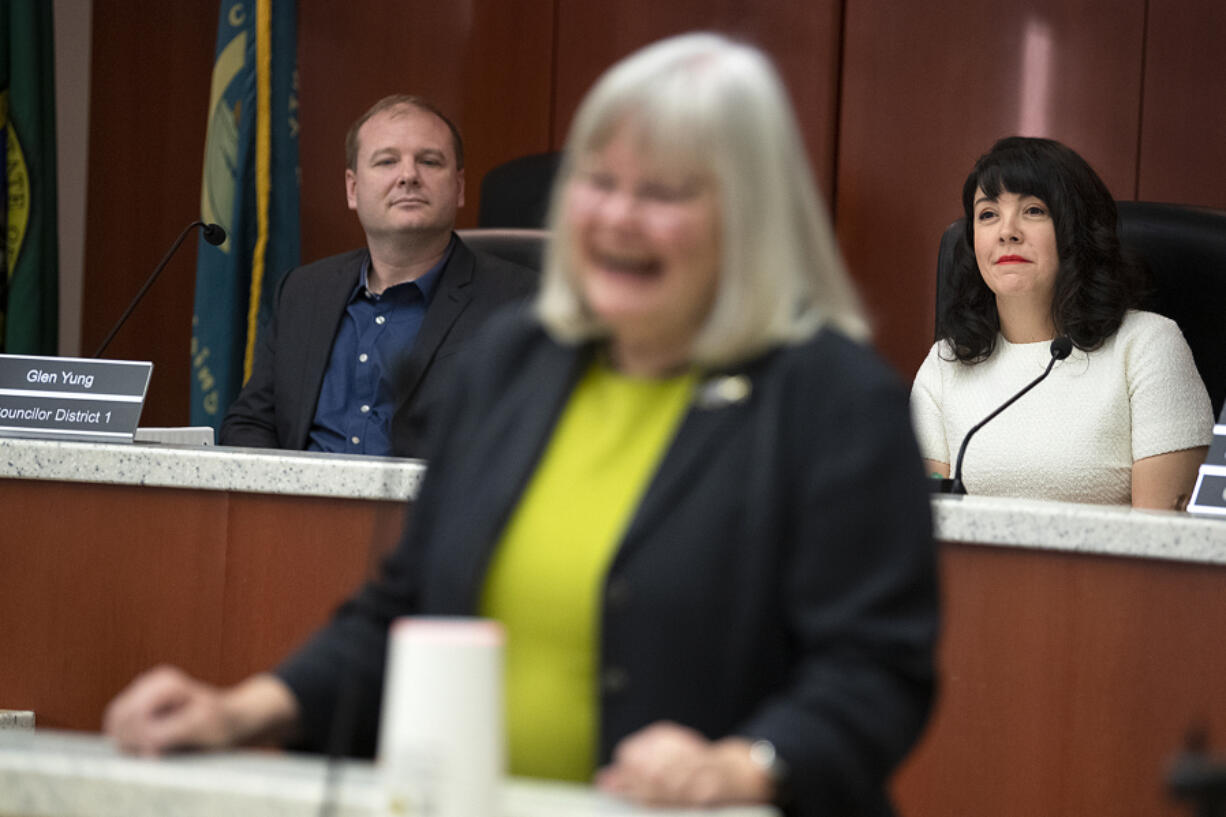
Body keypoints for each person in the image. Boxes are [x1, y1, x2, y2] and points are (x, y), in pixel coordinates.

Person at [106, 34, 938, 817]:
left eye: (663, 193)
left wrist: (745, 763)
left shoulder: (835, 398)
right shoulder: (513, 364)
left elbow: (875, 672)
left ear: (751, 217)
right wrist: (241, 708)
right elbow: (405, 608)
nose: (618, 216)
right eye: (599, 182)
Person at [219, 95, 537, 458]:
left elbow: (528, 445)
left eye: (429, 161)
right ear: (353, 189)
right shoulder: (303, 293)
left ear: (459, 188)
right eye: (386, 161)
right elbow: (250, 424)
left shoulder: (520, 302)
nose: (408, 176)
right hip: (302, 510)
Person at [912, 137, 1212, 508]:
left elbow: (1162, 547)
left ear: (1077, 231)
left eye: (1034, 210)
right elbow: (925, 528)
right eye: (988, 214)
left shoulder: (1148, 345)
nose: (1007, 231)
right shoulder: (946, 364)